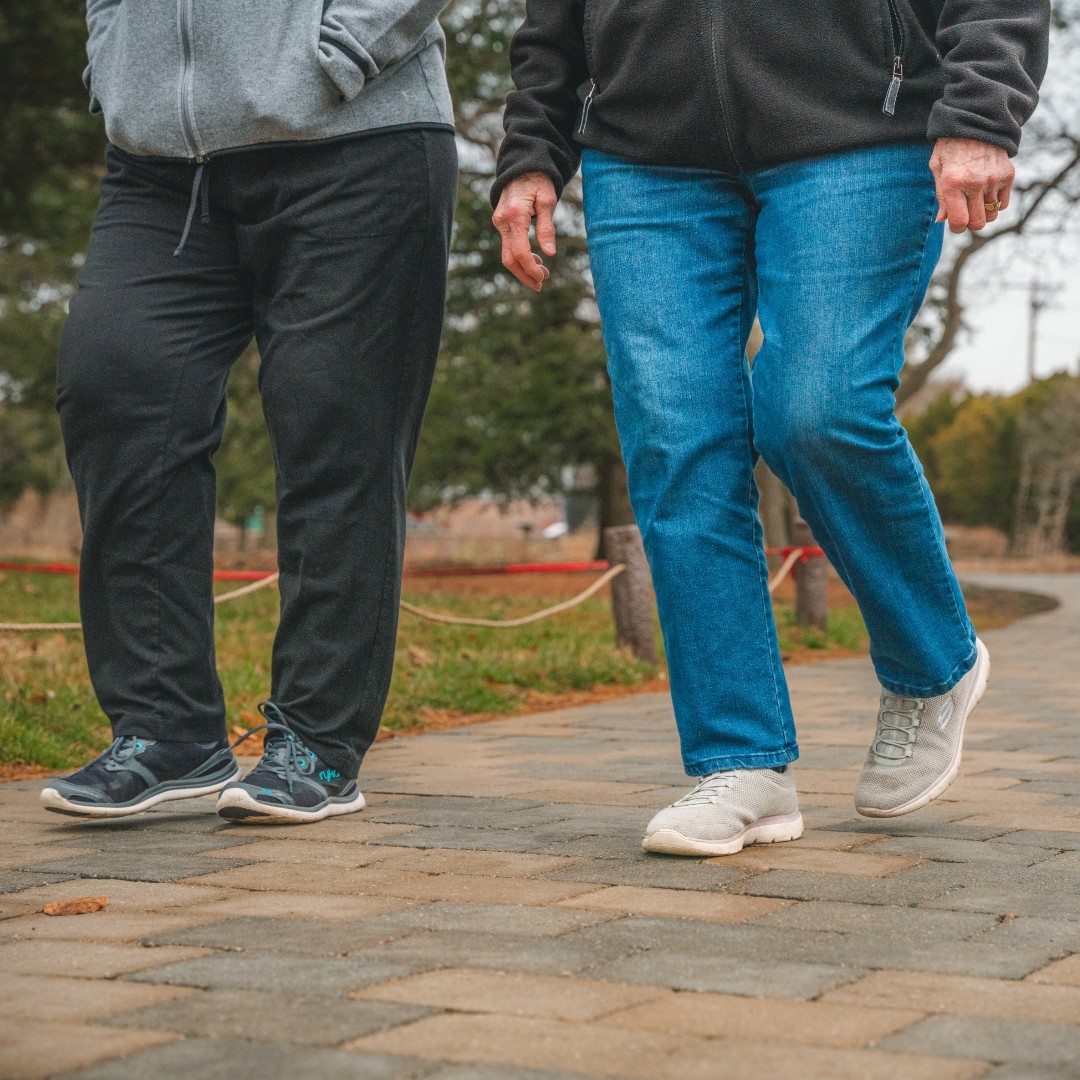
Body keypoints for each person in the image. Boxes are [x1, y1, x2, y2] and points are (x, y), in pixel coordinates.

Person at [492, 1, 1050, 855]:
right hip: (644, 151)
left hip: (861, 125)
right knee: (677, 445)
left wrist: (981, 111)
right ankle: (742, 763)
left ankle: (933, 664)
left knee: (815, 409)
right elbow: (551, 16)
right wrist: (532, 149)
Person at [40, 0, 457, 824]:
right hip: (161, 162)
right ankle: (166, 730)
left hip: (355, 140)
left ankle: (317, 742)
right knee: (114, 386)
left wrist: (338, 51)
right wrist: (118, 64)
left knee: (332, 430)